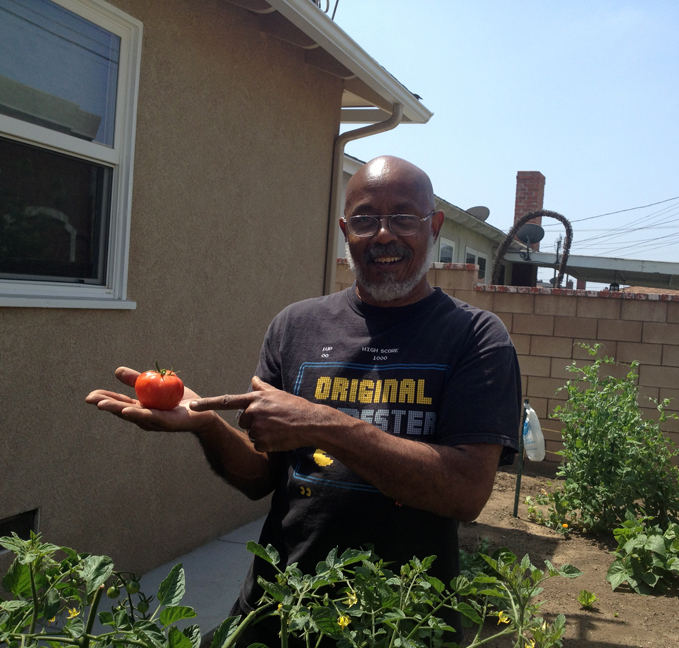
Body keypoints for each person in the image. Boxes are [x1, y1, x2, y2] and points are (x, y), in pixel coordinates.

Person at [86, 155, 522, 644]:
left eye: (403, 216)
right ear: (345, 230)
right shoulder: (295, 326)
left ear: (434, 226)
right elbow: (262, 477)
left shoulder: (475, 337)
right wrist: (205, 426)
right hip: (278, 609)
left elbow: (466, 493)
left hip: (399, 620)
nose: (382, 234)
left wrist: (321, 422)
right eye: (364, 219)